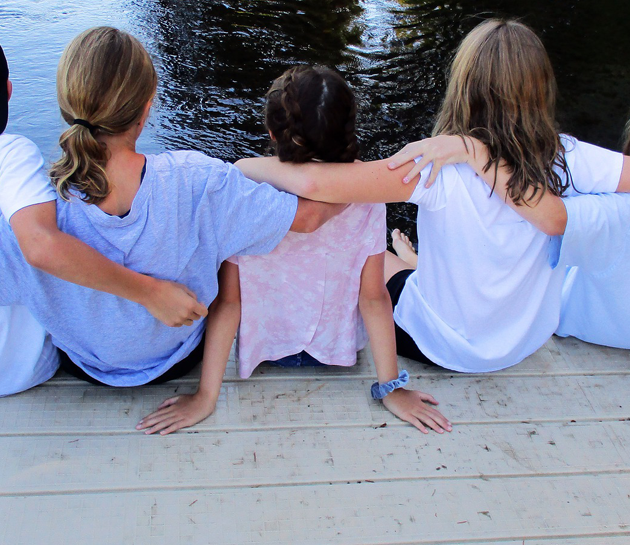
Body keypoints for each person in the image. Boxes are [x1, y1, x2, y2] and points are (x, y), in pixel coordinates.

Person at [235, 19, 630, 373]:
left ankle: (410, 267)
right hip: (520, 345)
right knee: (402, 257)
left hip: (438, 346)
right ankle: (415, 265)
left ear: (464, 86)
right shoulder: (570, 156)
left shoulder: (434, 170)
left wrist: (242, 166)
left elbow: (315, 186)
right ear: (540, 88)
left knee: (376, 264)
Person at [0, 28, 337, 412]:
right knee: (226, 233)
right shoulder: (198, 180)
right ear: (147, 106)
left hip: (87, 364)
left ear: (66, 103)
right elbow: (309, 217)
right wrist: (359, 173)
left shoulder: (31, 212)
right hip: (179, 358)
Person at [137, 66, 452, 435]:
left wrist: (207, 396)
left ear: (273, 133)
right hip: (338, 354)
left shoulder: (245, 193)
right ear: (348, 130)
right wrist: (391, 389)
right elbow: (373, 299)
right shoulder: (368, 197)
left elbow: (230, 303)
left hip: (272, 352)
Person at [423, 40, 630, 352]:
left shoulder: (622, 207)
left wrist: (475, 151)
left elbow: (552, 217)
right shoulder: (598, 175)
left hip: (597, 326)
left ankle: (417, 265)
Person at [0, 43, 208, 397]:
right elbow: (40, 245)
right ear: (148, 104)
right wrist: (150, 293)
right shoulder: (202, 179)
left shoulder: (44, 200)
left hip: (79, 360)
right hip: (25, 372)